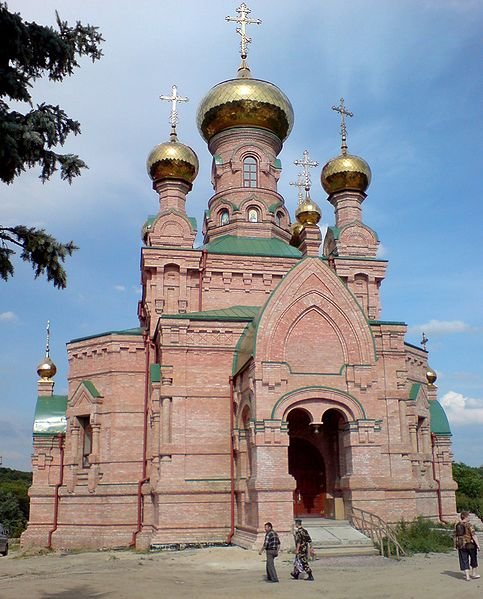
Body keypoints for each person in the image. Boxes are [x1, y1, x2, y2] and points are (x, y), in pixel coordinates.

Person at [454, 511, 480, 581]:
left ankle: (467, 576)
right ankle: (474, 574)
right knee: (473, 558)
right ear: (466, 517)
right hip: (470, 545)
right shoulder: (469, 525)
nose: (469, 518)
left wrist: (455, 545)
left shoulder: (457, 525)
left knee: (464, 560)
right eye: (469, 516)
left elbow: (455, 535)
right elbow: (474, 535)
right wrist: (478, 545)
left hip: (461, 545)